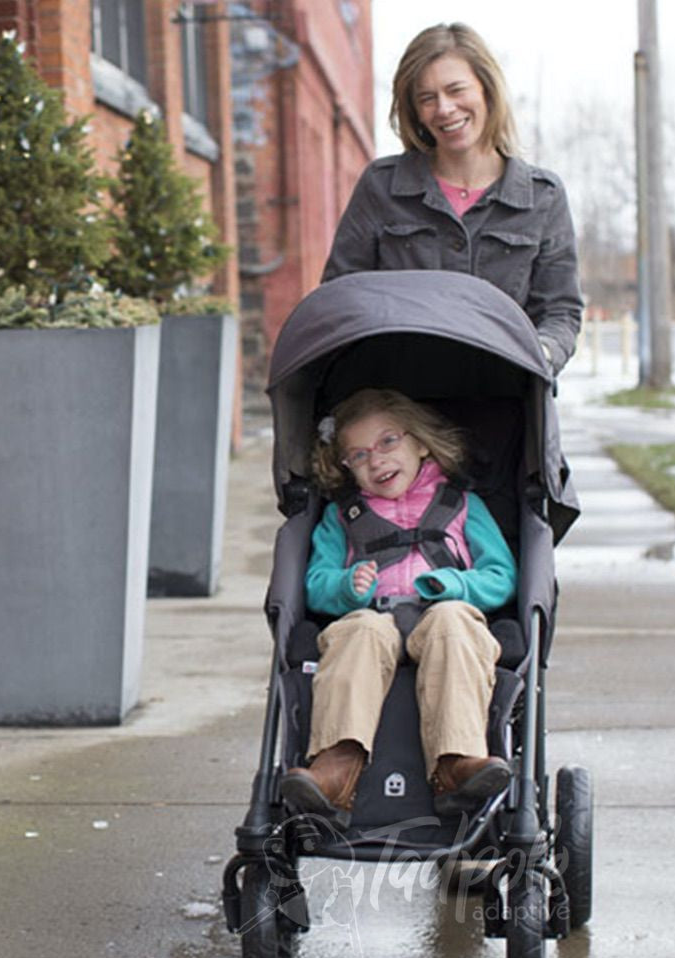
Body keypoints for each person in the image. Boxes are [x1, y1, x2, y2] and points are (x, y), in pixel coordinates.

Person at [279, 388, 517, 828]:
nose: (377, 460)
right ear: (346, 465)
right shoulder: (342, 517)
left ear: (420, 442)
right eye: (359, 454)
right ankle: (336, 769)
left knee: (452, 621)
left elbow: (501, 575)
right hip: (374, 619)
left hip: (442, 616)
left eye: (389, 442)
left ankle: (458, 763)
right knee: (360, 630)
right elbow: (315, 584)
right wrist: (346, 586)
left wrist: (455, 584)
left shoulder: (462, 506)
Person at [321, 22, 583, 375]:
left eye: (456, 89)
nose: (444, 108)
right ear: (414, 111)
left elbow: (560, 311)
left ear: (487, 91)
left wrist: (538, 356)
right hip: (401, 396)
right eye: (426, 98)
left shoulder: (542, 197)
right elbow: (342, 294)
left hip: (505, 394)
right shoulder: (381, 187)